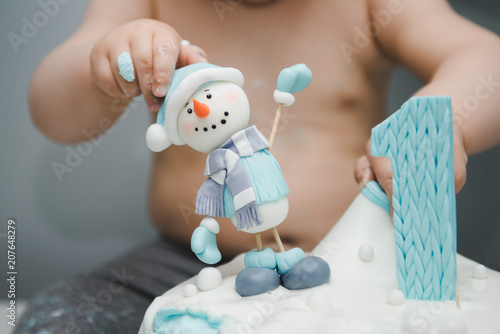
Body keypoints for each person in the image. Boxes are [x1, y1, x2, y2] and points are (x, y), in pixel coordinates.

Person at [19, 0, 500, 332]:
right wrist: (100, 68)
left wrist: (444, 123)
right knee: (60, 320)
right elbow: (53, 113)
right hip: (181, 263)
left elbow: (483, 55)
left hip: (359, 264)